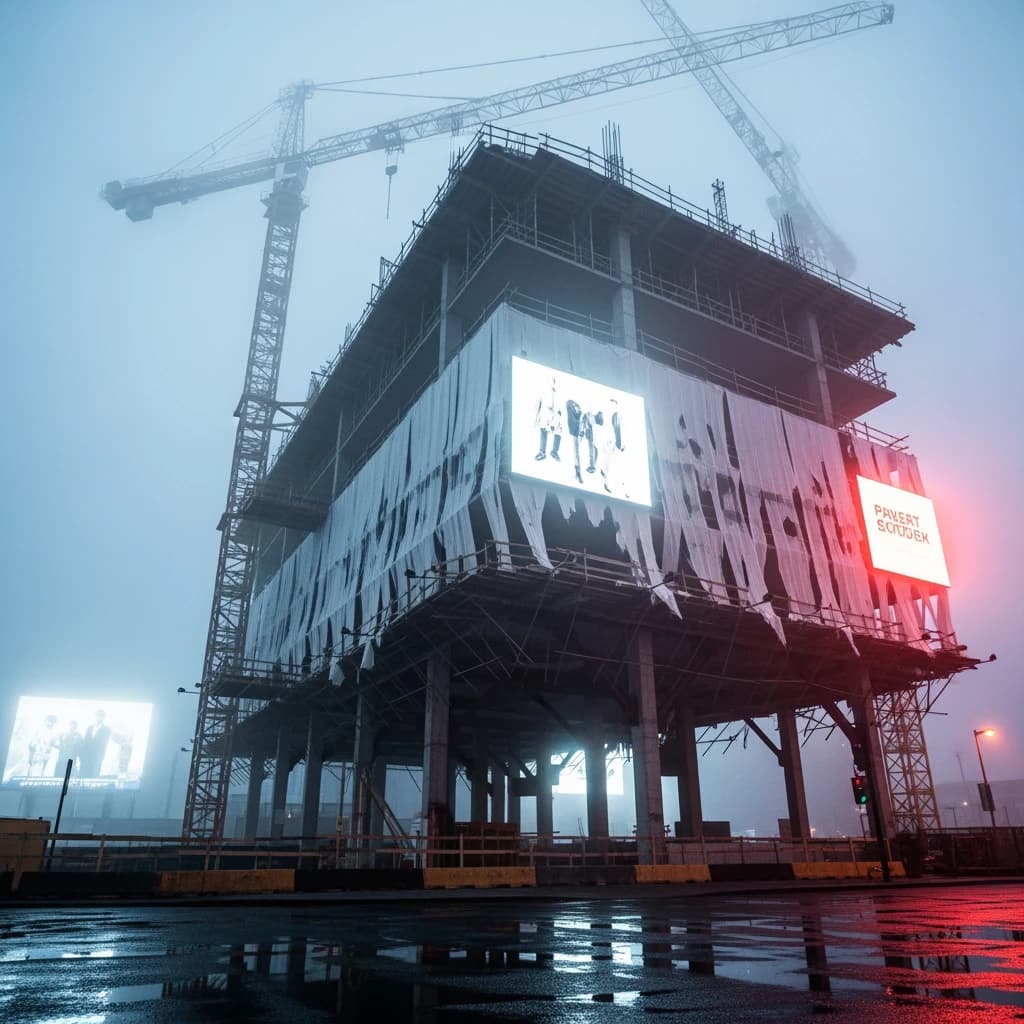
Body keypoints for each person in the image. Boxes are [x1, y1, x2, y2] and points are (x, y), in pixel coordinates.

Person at [534, 377, 563, 461]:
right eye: (550, 382)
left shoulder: (558, 393)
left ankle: (554, 451)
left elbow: (559, 409)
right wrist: (536, 417)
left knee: (559, 432)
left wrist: (556, 421)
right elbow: (538, 404)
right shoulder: (543, 392)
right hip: (545, 414)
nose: (551, 384)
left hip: (556, 413)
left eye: (553, 382)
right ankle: (542, 452)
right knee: (543, 430)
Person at [80, 709, 111, 778]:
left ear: (103, 718)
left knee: (94, 775)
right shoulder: (89, 728)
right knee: (84, 774)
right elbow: (85, 741)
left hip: (97, 756)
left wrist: (99, 756)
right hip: (86, 755)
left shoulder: (107, 729)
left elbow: (103, 743)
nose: (98, 717)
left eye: (101, 716)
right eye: (97, 715)